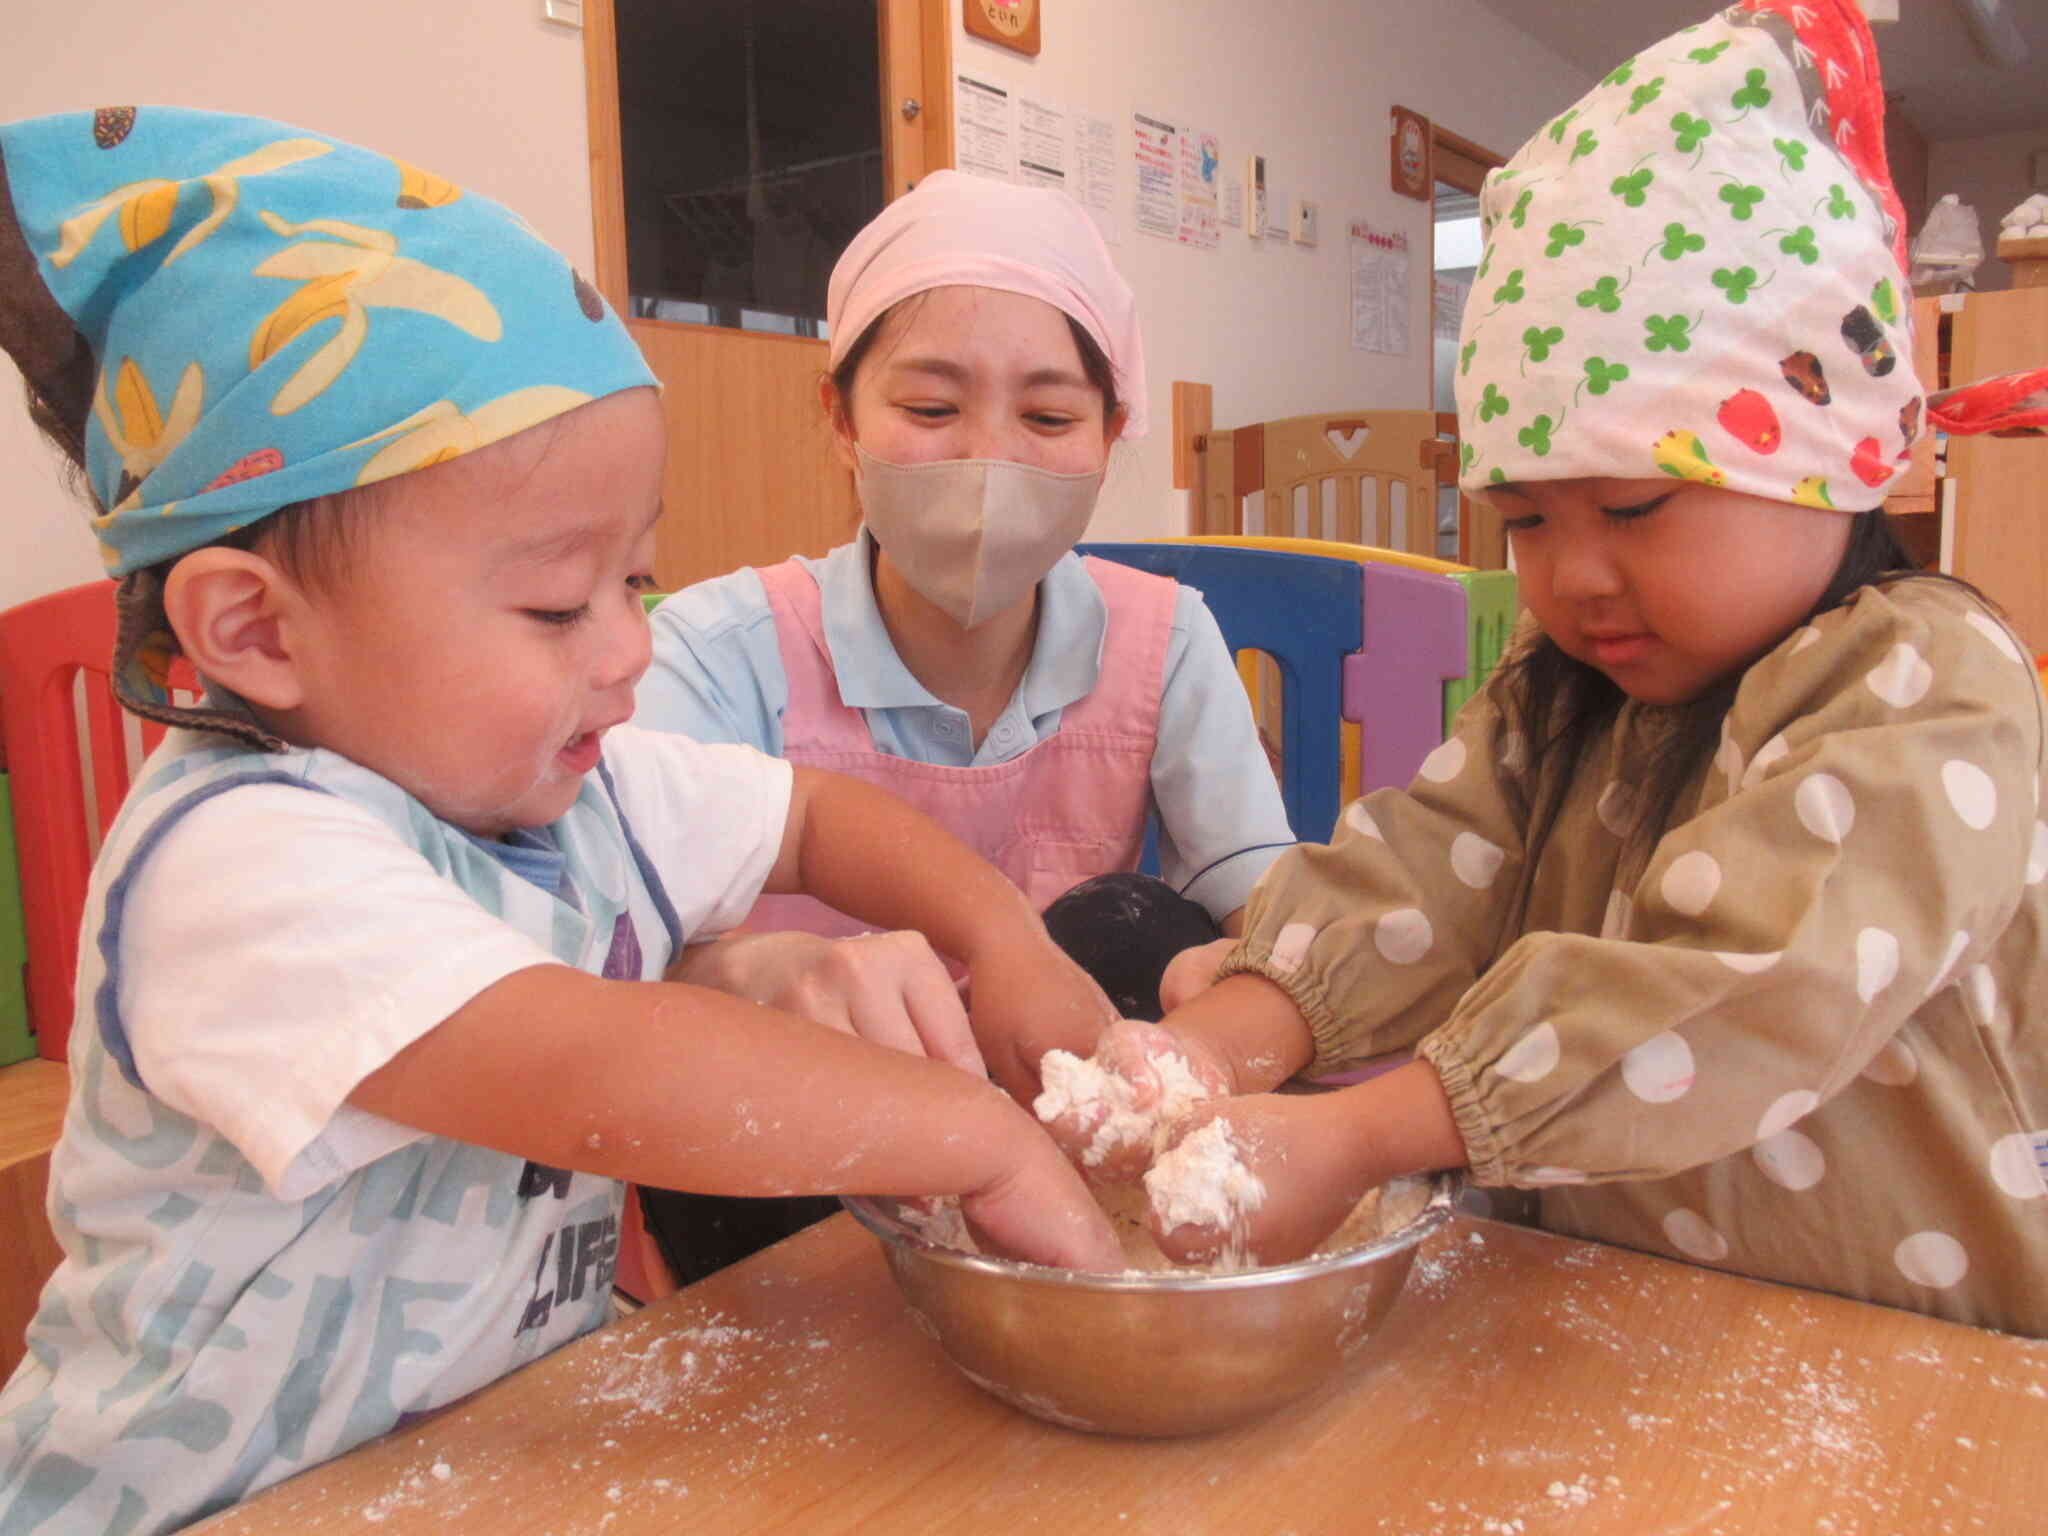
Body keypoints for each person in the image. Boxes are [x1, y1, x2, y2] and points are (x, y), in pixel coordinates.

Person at [0, 107, 1126, 1534]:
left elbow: (816, 819)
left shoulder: (561, 774)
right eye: (553, 606)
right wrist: (977, 1137)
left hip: (487, 1452)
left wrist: (1003, 935)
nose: (624, 651)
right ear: (256, 632)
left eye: (638, 585)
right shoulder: (238, 863)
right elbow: (594, 1064)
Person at [1048, 0, 2048, 1338]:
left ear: (1829, 461)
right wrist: (1221, 1042)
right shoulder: (1566, 683)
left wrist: (1361, 1138)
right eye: (1524, 520)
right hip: (1604, 1306)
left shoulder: (1931, 684)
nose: (1571, 575)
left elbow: (1751, 979)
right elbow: (1423, 870)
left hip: (1906, 1345)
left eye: (1633, 510)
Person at [629, 172, 1293, 1278]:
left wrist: (1229, 1001)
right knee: (716, 1036)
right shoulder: (715, 651)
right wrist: (753, 977)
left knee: (1128, 922)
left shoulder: (1164, 638)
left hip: (1063, 1142)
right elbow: (605, 942)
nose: (988, 462)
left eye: (1046, 417)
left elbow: (1267, 906)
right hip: (813, 1167)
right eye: (930, 410)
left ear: (1112, 431)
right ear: (839, 415)